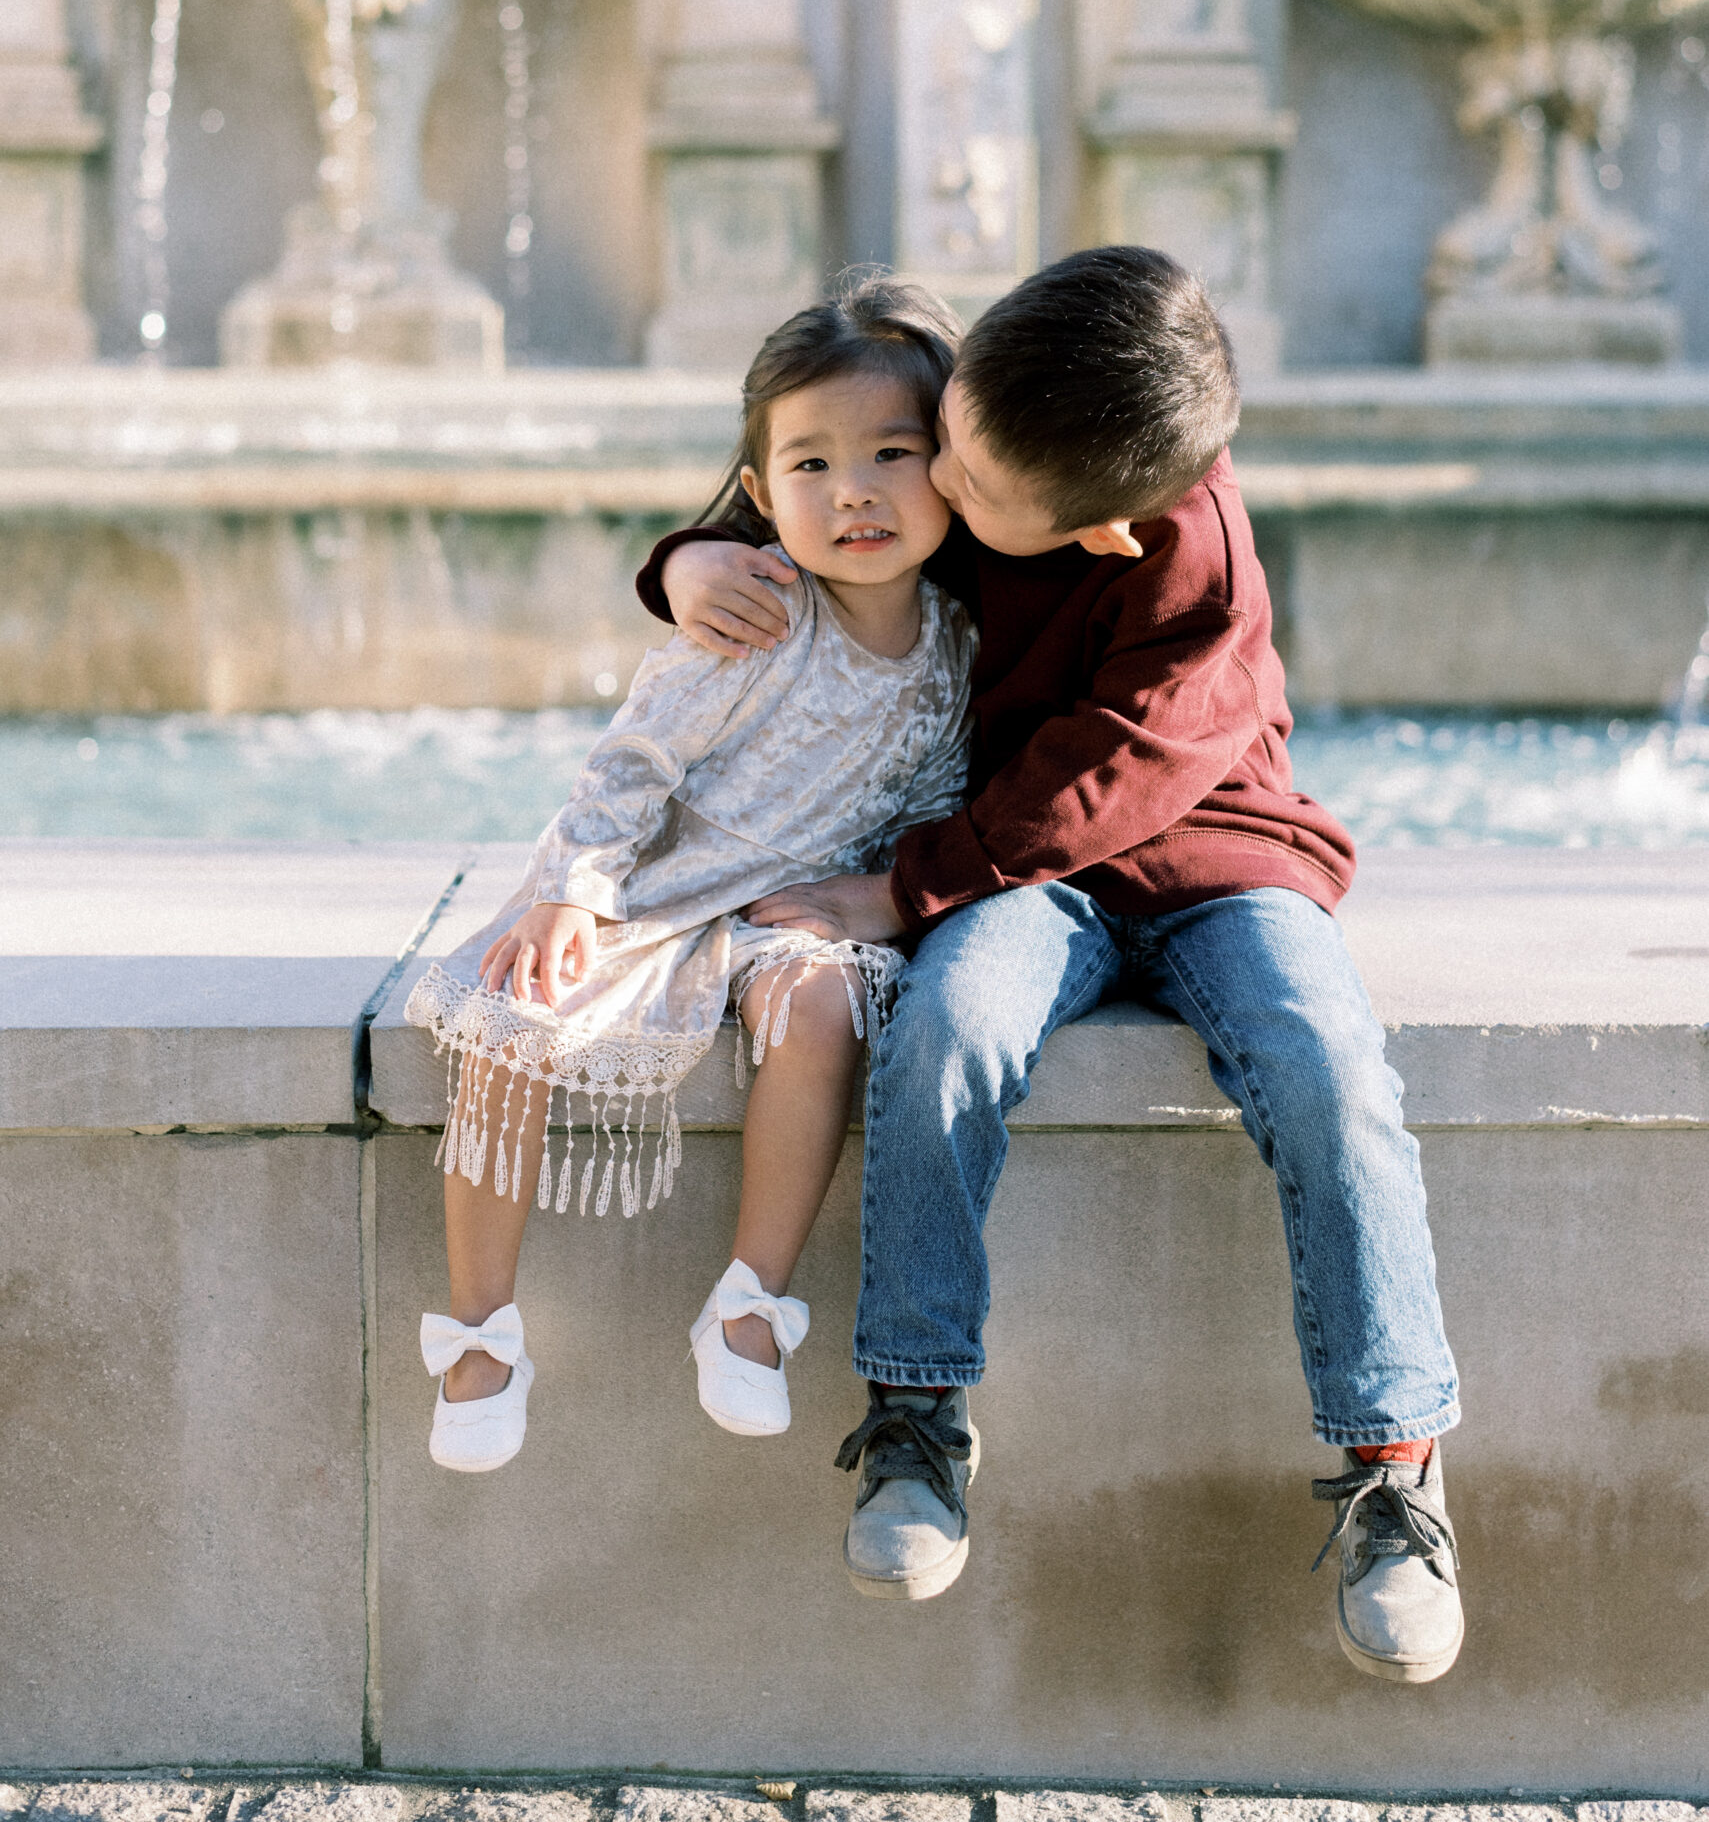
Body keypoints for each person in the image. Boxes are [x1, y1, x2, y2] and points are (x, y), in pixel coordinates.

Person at [640, 244, 1464, 1683]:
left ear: (1102, 535)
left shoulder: (1177, 541)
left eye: (965, 485)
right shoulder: (1000, 424)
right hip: (1021, 874)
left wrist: (899, 886)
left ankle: (1394, 1463)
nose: (936, 490)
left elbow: (1125, 772)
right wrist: (685, 559)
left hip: (1214, 858)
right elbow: (820, 492)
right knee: (949, 1028)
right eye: (944, 442)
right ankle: (912, 1415)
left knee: (1326, 1063)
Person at [405, 274, 975, 1475]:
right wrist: (574, 888)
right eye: (810, 466)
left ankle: (749, 1305)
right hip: (655, 889)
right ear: (762, 495)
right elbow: (634, 757)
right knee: (514, 1009)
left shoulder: (956, 645)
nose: (854, 490)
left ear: (953, 469)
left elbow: (931, 806)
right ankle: (478, 1332)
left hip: (793, 913)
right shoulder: (755, 606)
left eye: (889, 452)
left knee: (819, 1002)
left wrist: (881, 903)